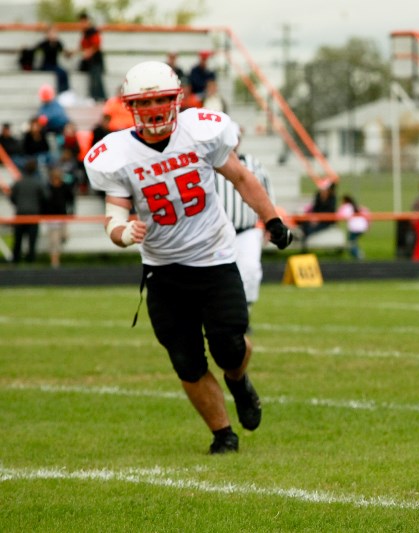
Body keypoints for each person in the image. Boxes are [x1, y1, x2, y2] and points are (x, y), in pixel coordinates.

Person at [83, 61, 293, 455]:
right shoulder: (117, 153)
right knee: (186, 359)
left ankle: (239, 379)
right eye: (146, 101)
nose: (156, 107)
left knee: (230, 346)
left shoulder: (200, 132)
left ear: (177, 98)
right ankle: (223, 434)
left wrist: (273, 220)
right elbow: (114, 215)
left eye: (162, 98)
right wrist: (123, 233)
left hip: (214, 257)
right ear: (131, 106)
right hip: (163, 269)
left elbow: (242, 178)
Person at [214, 138, 274, 318]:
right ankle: (217, 314)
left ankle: (244, 314)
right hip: (217, 233)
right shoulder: (208, 162)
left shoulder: (253, 163)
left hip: (247, 229)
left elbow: (266, 192)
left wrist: (270, 221)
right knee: (216, 275)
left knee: (250, 270)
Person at [10, 158, 48, 264]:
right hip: (33, 214)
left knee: (18, 239)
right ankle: (31, 260)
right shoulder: (38, 183)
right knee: (32, 240)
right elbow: (45, 197)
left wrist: (19, 204)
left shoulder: (18, 182)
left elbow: (12, 197)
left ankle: (15, 259)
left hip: (20, 214)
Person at [43, 165, 75, 268]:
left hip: (62, 216)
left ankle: (56, 254)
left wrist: (71, 211)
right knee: (54, 239)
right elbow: (44, 201)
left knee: (64, 236)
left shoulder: (65, 187)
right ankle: (55, 261)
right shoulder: (48, 187)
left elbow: (71, 199)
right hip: (51, 217)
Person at [77, 11, 106, 102]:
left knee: (96, 80)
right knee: (92, 80)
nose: (82, 24)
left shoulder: (93, 32)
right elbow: (81, 47)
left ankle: (100, 98)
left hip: (96, 61)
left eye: (84, 21)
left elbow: (96, 46)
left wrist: (88, 52)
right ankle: (94, 98)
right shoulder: (85, 33)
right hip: (90, 62)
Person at [33, 25, 70, 94]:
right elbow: (34, 50)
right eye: (51, 33)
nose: (53, 34)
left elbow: (65, 53)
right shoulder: (44, 43)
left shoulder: (58, 43)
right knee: (60, 73)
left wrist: (69, 53)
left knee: (64, 72)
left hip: (54, 65)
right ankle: (61, 92)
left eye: (54, 33)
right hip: (46, 65)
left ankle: (66, 91)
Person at [300, 180, 337, 247]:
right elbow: (315, 209)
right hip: (317, 219)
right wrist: (314, 218)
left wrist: (318, 219)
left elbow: (329, 212)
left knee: (311, 229)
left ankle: (304, 243)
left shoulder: (332, 198)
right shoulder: (318, 196)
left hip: (326, 221)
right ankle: (302, 241)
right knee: (304, 224)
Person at [337, 194, 370, 260]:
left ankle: (359, 256)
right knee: (353, 242)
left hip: (355, 228)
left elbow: (339, 215)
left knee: (350, 243)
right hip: (362, 226)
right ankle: (357, 255)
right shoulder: (356, 206)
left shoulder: (346, 206)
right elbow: (367, 213)